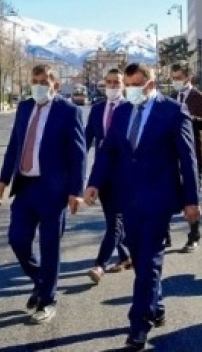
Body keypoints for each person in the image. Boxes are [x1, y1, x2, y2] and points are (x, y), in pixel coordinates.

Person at [85, 63, 200, 351]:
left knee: (149, 259)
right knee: (139, 258)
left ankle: (139, 325)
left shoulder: (172, 111)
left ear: (149, 84)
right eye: (127, 84)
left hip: (158, 199)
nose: (129, 89)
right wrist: (94, 182)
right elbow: (108, 150)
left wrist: (191, 200)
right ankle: (156, 305)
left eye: (134, 84)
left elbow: (188, 159)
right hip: (126, 197)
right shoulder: (123, 111)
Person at [0, 64, 86, 325]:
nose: (39, 85)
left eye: (44, 80)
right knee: (17, 240)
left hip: (53, 191)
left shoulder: (68, 111)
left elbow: (78, 154)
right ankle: (42, 281)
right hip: (25, 188)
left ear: (56, 84)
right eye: (35, 80)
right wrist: (2, 180)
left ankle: (47, 300)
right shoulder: (24, 108)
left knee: (49, 247)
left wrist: (75, 191)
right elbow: (15, 145)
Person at [83, 68, 131, 283]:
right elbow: (85, 140)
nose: (112, 86)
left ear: (123, 85)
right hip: (102, 173)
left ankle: (99, 264)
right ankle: (126, 256)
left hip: (124, 174)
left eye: (116, 82)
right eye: (109, 82)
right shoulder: (97, 109)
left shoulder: (131, 109)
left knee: (116, 223)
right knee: (112, 219)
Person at [169, 62, 202, 253]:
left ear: (188, 78)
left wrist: (186, 117)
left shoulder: (200, 98)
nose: (175, 81)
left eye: (178, 78)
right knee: (168, 195)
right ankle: (164, 235)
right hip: (172, 156)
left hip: (194, 156)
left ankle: (193, 236)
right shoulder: (170, 98)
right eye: (173, 78)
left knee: (191, 197)